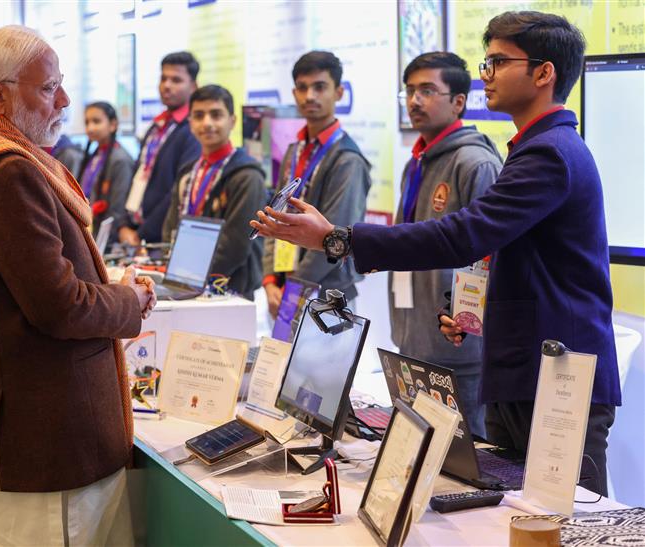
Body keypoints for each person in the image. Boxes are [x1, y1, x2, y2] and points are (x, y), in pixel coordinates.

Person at [252, 11, 620, 496]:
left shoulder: (549, 153)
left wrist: (336, 239)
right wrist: (476, 310)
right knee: (509, 511)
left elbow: (462, 236)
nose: (484, 74)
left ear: (543, 72)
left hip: (555, 378)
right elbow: (512, 259)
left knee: (565, 522)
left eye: (497, 62)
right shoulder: (532, 149)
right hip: (521, 367)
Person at [0, 25, 156, 545]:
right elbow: (59, 306)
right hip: (39, 437)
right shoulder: (6, 171)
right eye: (48, 88)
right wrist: (129, 300)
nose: (65, 100)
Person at [391, 51, 502, 438]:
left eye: (427, 90)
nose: (415, 100)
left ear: (458, 101)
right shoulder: (416, 163)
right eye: (409, 91)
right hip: (412, 339)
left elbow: (489, 256)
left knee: (470, 466)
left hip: (459, 351)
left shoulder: (474, 164)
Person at [262, 50, 371, 318]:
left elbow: (333, 237)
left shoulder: (348, 159)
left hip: (328, 294)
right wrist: (269, 280)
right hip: (285, 286)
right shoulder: (294, 150)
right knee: (281, 360)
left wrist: (295, 287)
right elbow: (276, 214)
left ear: (339, 93)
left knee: (322, 362)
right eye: (302, 88)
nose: (309, 96)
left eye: (320, 87)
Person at [162, 85, 266, 299]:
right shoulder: (188, 172)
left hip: (230, 289)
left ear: (233, 121)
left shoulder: (247, 176)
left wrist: (190, 275)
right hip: (184, 284)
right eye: (199, 116)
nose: (207, 123)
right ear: (190, 122)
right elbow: (171, 228)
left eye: (216, 115)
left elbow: (236, 244)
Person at [119, 51, 201, 245]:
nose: (167, 86)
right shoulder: (157, 126)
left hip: (158, 238)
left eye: (176, 80)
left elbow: (177, 191)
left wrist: (142, 234)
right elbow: (137, 175)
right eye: (163, 78)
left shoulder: (192, 131)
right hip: (134, 230)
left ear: (193, 86)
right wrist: (124, 224)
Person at [78, 101, 135, 240]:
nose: (90, 128)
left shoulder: (120, 160)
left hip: (105, 238)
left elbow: (117, 210)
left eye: (96, 121)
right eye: (87, 122)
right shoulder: (95, 155)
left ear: (113, 125)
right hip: (87, 229)